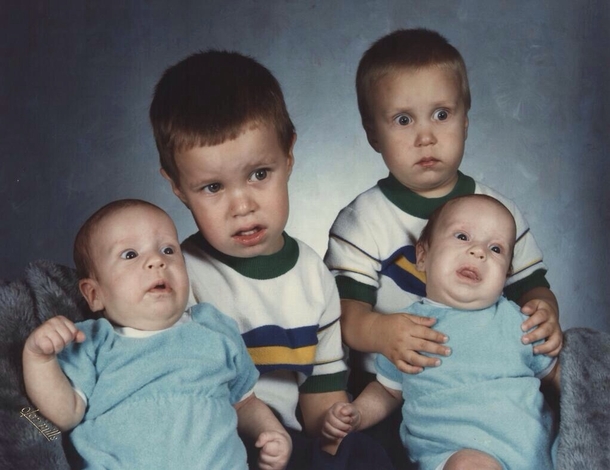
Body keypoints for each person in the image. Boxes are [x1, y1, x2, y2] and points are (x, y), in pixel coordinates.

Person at [149, 51, 393, 470]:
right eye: (212, 187)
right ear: (177, 187)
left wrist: (334, 424)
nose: (242, 205)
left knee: (363, 455)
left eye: (259, 174)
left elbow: (322, 390)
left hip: (287, 445)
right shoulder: (178, 274)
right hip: (211, 440)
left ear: (288, 156)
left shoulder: (313, 277)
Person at [22, 199, 291, 470]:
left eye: (168, 249)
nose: (156, 261)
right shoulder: (91, 341)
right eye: (130, 254)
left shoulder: (213, 329)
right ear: (94, 294)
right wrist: (39, 359)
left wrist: (272, 433)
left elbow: (244, 403)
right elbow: (65, 415)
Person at [323, 194, 561, 470]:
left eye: (496, 249)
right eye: (462, 236)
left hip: (531, 452)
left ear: (507, 274)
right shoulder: (407, 329)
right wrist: (358, 414)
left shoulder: (518, 321)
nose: (478, 251)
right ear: (422, 256)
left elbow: (558, 376)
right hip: (456, 452)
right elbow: (388, 392)